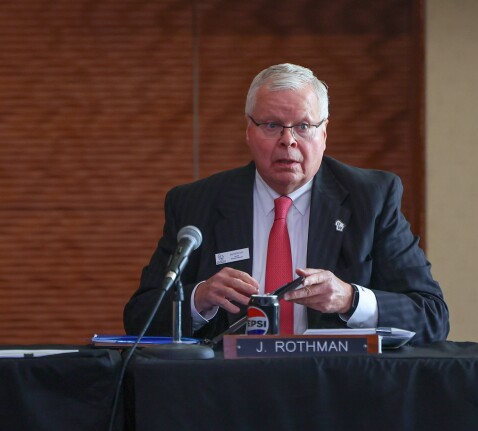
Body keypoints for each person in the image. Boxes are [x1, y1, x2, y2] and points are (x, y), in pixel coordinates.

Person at [124, 63, 449, 344]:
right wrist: (199, 299)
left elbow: (432, 316)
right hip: (229, 383)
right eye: (271, 125)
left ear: (324, 134)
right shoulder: (197, 203)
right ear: (249, 131)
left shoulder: (372, 198)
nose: (288, 140)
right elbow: (140, 318)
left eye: (303, 127)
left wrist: (351, 300)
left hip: (334, 382)